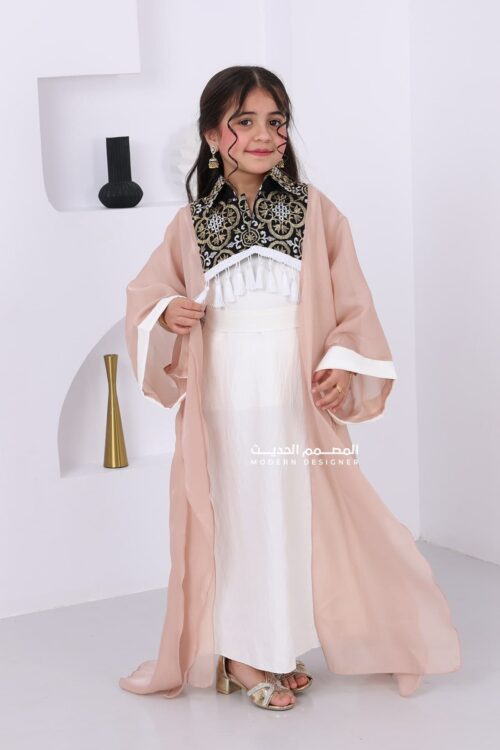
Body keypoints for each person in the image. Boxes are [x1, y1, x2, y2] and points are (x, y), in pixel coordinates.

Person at [120, 66, 461, 710]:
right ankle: (243, 655)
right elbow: (148, 292)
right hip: (224, 394)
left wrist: (341, 362)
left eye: (275, 122)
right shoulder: (192, 221)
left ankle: (276, 644)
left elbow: (353, 300)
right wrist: (167, 312)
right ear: (212, 135)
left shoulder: (314, 209)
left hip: (293, 388)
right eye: (244, 122)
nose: (263, 135)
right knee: (237, 514)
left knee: (292, 517)